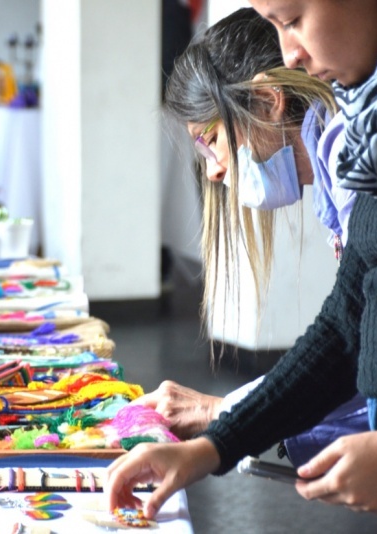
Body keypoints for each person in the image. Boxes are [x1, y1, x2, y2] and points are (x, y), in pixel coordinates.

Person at [106, 0, 377, 529]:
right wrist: (213, 446)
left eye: (293, 21)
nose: (289, 54)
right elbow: (349, 323)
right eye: (275, 26)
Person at [132, 7, 365, 469]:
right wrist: (231, 412)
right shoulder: (333, 168)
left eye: (211, 139)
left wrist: (225, 413)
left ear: (267, 101)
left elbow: (358, 346)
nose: (214, 169)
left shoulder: (352, 163)